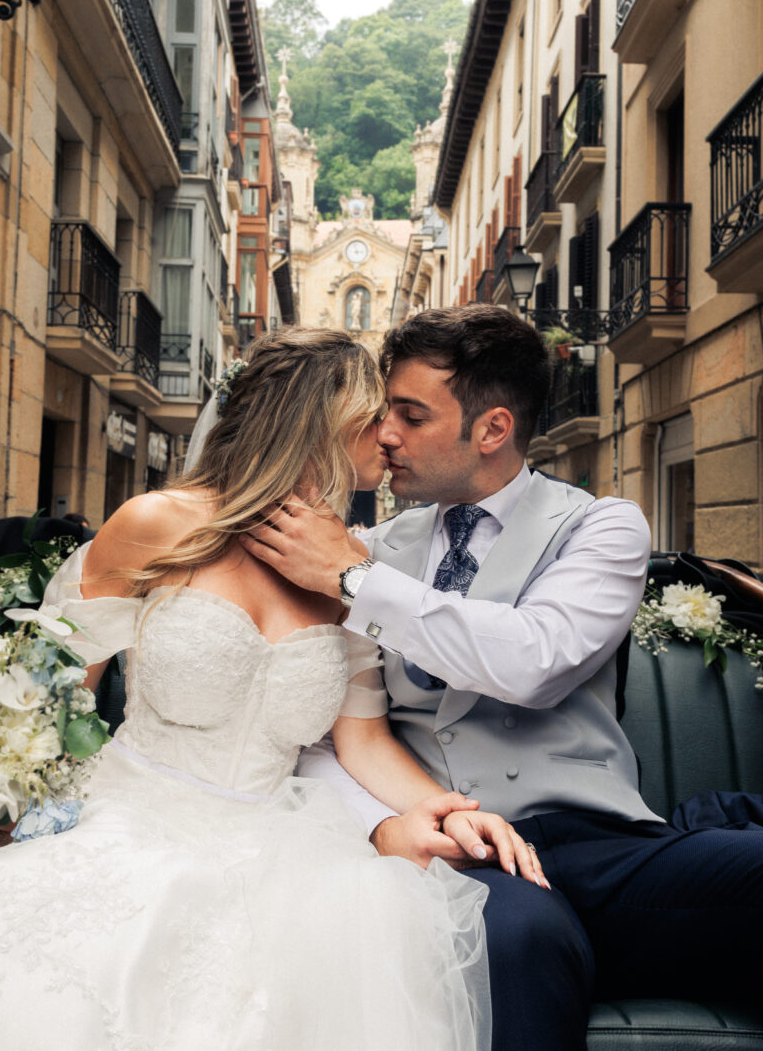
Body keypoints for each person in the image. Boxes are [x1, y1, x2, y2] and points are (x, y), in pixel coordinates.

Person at [0, 328, 548, 1050]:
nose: (389, 434)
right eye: (372, 414)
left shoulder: (350, 566)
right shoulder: (156, 525)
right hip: (128, 816)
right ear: (314, 420)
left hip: (278, 839)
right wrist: (16, 804)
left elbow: (364, 740)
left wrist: (454, 811)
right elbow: (48, 695)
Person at [244, 304, 763, 1051]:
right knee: (519, 938)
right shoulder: (366, 545)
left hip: (601, 847)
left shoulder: (600, 527)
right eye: (385, 410)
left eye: (410, 414)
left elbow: (534, 659)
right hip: (460, 857)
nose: (384, 433)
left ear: (490, 429)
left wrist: (358, 581)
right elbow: (330, 727)